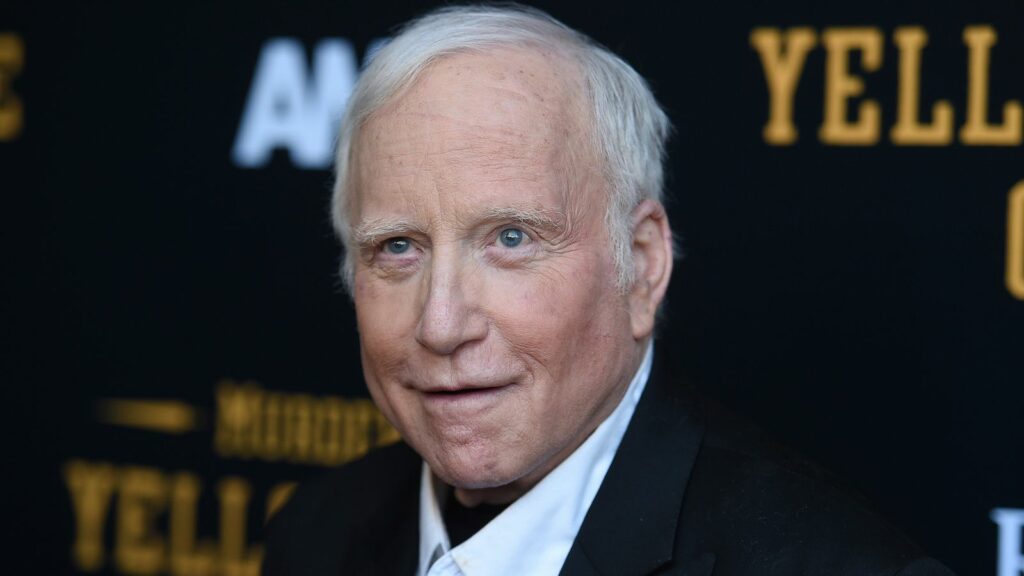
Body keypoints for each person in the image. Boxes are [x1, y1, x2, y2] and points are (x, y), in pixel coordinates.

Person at [262, 5, 956, 575]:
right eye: (398, 248)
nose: (442, 324)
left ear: (643, 265)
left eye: (511, 239)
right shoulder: (315, 536)